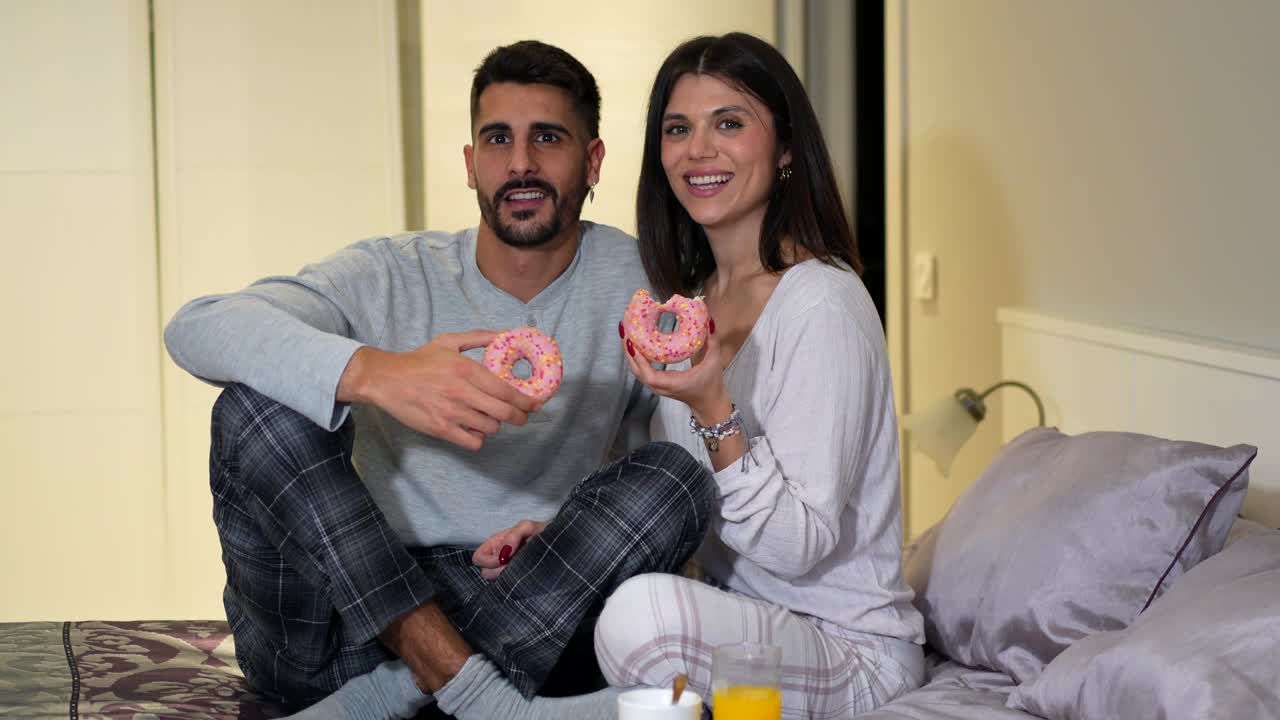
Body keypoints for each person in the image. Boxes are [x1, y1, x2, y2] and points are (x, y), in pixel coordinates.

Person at [164, 40, 714, 720]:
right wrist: (377, 374)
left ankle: (412, 689)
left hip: (527, 607)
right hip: (341, 621)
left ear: (593, 160)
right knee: (253, 406)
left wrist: (563, 532)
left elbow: (661, 463)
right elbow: (196, 326)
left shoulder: (640, 287)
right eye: (496, 139)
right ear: (469, 163)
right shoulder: (390, 274)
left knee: (676, 478)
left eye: (547, 137)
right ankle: (470, 693)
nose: (520, 163)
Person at [593, 33, 926, 718]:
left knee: (638, 618)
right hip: (735, 621)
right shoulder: (685, 304)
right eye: (678, 128)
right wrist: (575, 538)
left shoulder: (823, 303)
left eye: (730, 123)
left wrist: (713, 405)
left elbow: (795, 547)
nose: (698, 150)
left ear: (785, 152)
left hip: (848, 650)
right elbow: (682, 508)